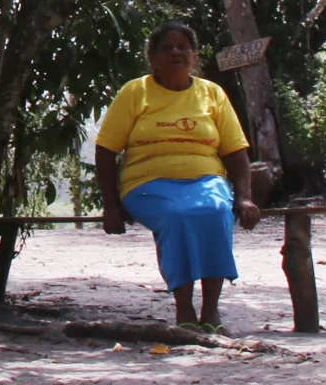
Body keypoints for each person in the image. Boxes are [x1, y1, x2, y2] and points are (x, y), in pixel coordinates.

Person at [90, 21, 262, 328]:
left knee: (215, 210)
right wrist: (111, 206)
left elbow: (236, 152)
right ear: (152, 57)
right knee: (177, 215)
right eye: (166, 47)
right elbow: (105, 151)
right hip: (147, 186)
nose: (175, 52)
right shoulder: (135, 92)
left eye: (183, 47)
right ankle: (184, 310)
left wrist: (245, 198)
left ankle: (211, 312)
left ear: (194, 57)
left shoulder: (213, 94)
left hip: (207, 182)